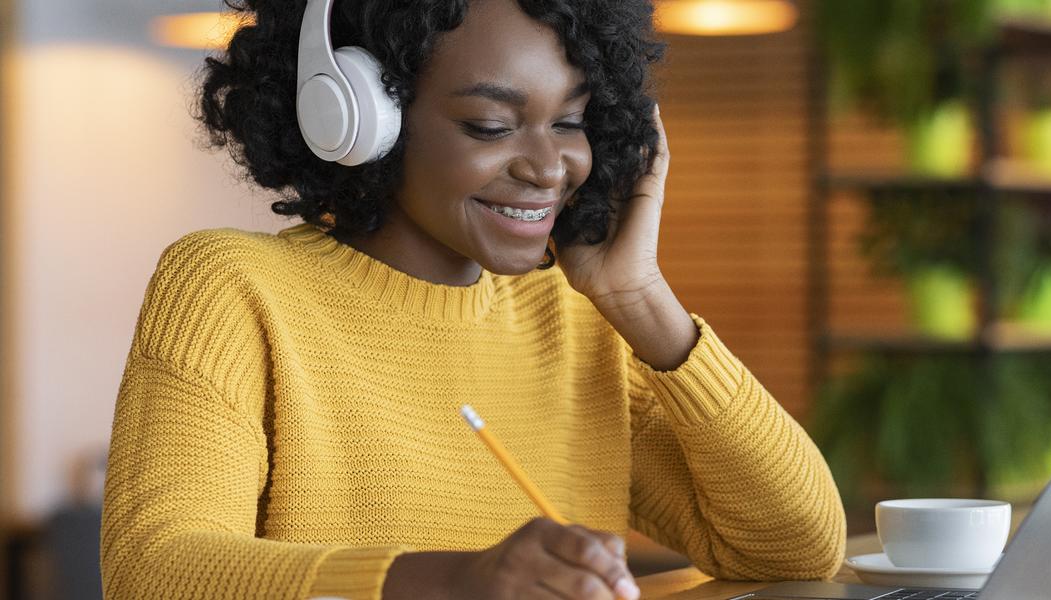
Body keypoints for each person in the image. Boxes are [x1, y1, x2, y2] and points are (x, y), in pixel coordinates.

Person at [99, 0, 846, 598]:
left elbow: (797, 546)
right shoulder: (230, 288)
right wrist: (456, 580)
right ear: (362, 119)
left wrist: (640, 298)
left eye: (571, 121)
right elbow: (155, 572)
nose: (551, 167)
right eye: (491, 125)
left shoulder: (577, 317)